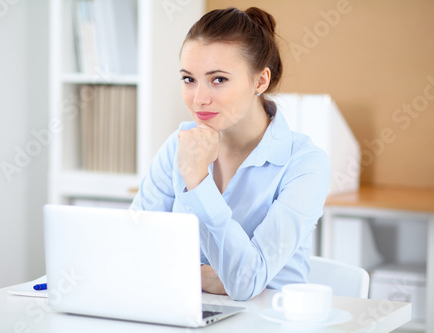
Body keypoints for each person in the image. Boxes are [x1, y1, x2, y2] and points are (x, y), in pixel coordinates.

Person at [130, 7, 330, 301]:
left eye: (219, 79)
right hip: (183, 311)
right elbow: (132, 248)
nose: (199, 98)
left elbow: (245, 282)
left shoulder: (305, 164)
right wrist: (207, 276)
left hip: (270, 321)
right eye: (189, 79)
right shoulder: (178, 145)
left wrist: (197, 181)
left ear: (260, 81)